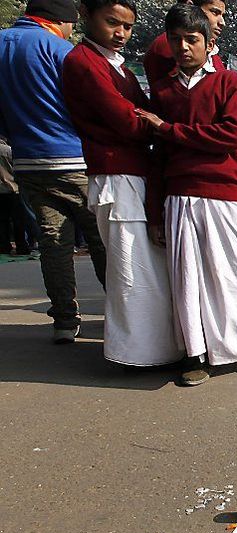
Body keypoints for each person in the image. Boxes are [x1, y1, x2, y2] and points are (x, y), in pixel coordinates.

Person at [137, 4, 237, 385]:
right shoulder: (162, 91)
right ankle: (195, 353)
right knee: (187, 278)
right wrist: (155, 213)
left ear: (208, 41)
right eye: (176, 40)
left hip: (224, 193)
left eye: (191, 39)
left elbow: (232, 136)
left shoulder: (229, 83)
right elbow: (158, 157)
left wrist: (171, 130)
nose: (183, 47)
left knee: (234, 273)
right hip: (178, 195)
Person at [62, 0, 182, 366]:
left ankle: (157, 349)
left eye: (127, 27)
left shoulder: (116, 65)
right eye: (112, 22)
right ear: (86, 15)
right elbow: (128, 121)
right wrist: (153, 123)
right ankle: (135, 353)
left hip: (132, 170)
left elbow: (142, 111)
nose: (121, 33)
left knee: (146, 264)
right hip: (116, 173)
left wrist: (150, 119)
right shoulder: (83, 62)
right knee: (130, 268)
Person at [0, 0, 107, 344]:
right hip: (75, 160)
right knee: (101, 239)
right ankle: (121, 315)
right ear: (59, 21)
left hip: (28, 162)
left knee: (53, 243)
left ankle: (64, 320)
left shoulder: (2, 44)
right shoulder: (61, 50)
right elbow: (90, 103)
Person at [143, 0, 226, 83]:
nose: (222, 22)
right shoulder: (167, 47)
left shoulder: (213, 56)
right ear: (189, 6)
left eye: (223, 15)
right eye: (215, 12)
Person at [0, 136, 36, 255]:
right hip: (14, 188)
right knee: (19, 220)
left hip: (1, 190)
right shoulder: (9, 151)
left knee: (2, 221)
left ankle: (4, 246)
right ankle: (22, 246)